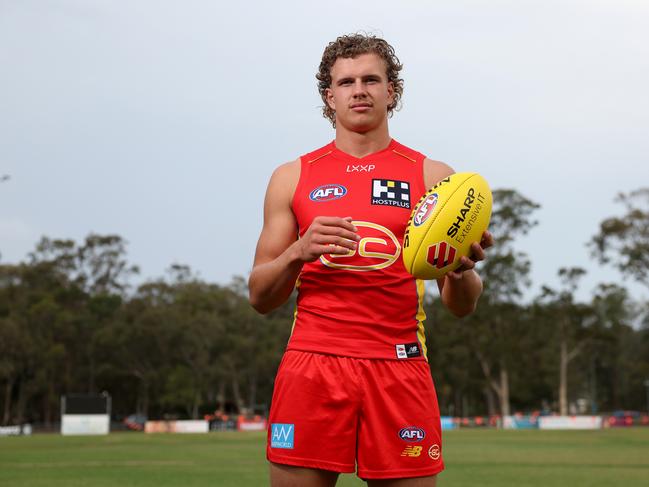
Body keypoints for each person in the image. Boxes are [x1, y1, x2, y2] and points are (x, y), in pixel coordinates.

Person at [249, 33, 493, 487]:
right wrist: (299, 252)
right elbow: (260, 296)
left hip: (399, 364)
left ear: (391, 91)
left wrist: (461, 269)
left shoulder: (434, 177)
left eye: (371, 79)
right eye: (346, 82)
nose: (358, 89)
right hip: (313, 362)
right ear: (330, 95)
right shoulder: (292, 177)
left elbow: (462, 305)